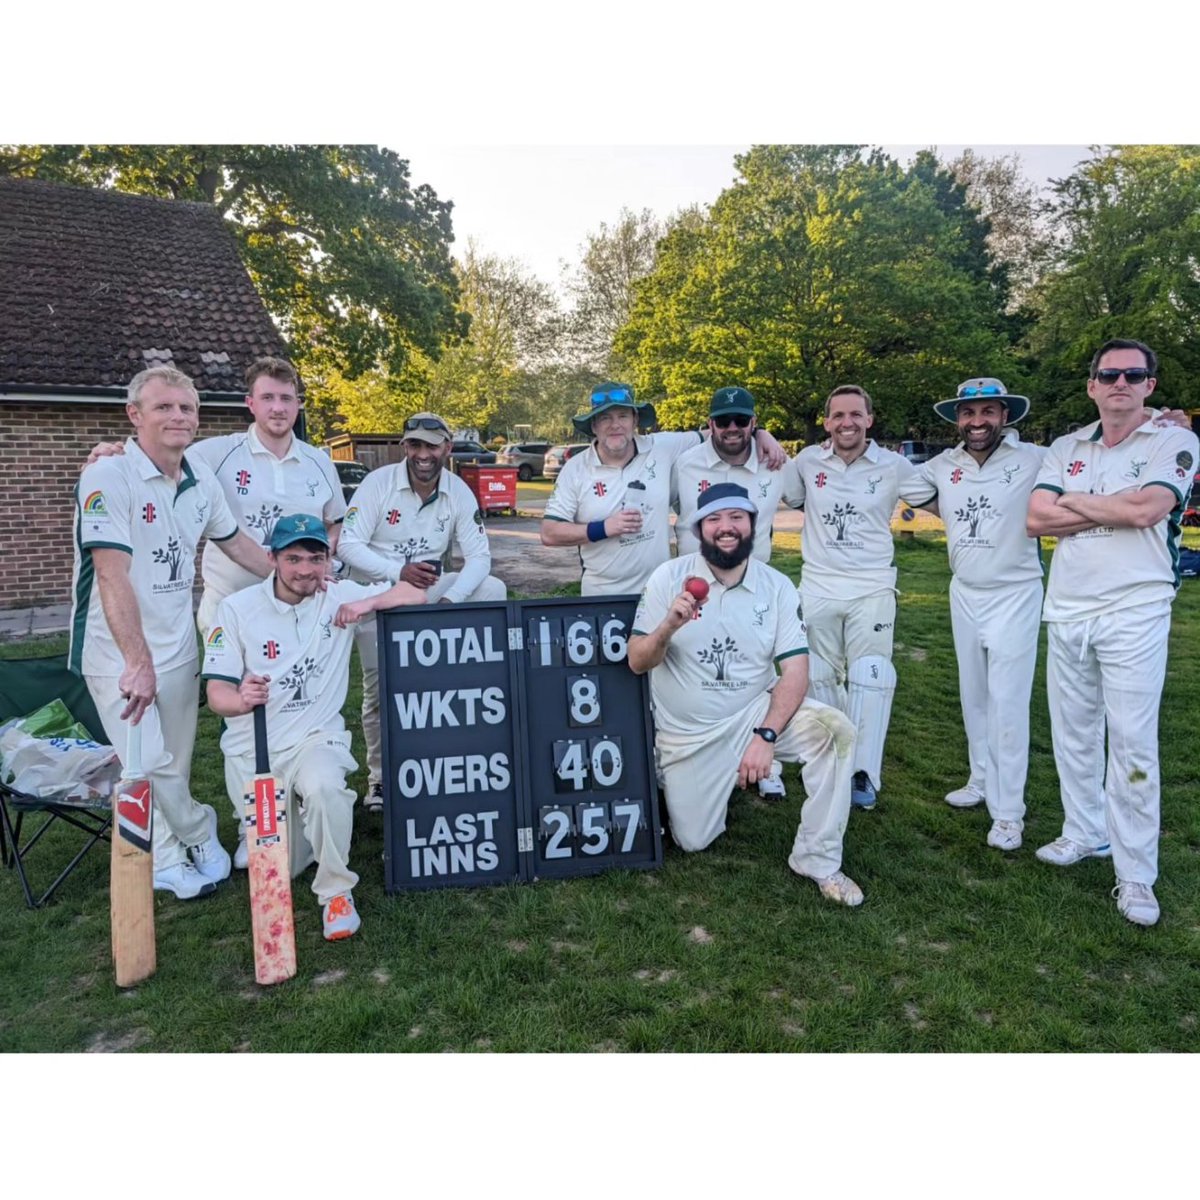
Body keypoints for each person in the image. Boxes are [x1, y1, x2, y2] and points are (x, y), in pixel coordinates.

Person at [70, 366, 273, 899]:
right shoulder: (108, 476)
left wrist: (296, 574)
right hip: (116, 652)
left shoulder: (201, 481)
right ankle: (197, 831)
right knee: (150, 762)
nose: (177, 416)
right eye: (163, 407)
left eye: (186, 408)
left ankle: (168, 854)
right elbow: (112, 574)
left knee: (174, 763)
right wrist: (137, 661)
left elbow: (238, 545)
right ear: (134, 415)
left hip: (180, 646)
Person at [1026, 338, 1199, 927]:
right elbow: (1035, 520)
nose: (1120, 383)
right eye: (1109, 374)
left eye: (1133, 374)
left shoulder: (1174, 440)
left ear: (1150, 384)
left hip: (1137, 607)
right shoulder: (1066, 445)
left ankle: (1136, 876)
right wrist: (1111, 501)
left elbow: (1148, 511)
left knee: (1131, 744)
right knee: (1073, 734)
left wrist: (1076, 502)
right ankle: (1084, 832)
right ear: (1092, 385)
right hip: (1069, 608)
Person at [628, 483, 863, 907]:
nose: (726, 527)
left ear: (753, 524)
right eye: (714, 519)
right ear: (699, 528)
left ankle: (818, 859)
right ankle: (688, 777)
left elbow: (796, 671)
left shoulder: (776, 586)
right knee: (694, 840)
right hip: (689, 733)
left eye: (737, 517)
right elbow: (637, 662)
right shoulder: (668, 577)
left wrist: (765, 736)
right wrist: (668, 626)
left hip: (753, 711)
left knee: (836, 731)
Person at [202, 515, 425, 940]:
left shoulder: (338, 595)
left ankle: (336, 894)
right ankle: (295, 835)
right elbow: (216, 696)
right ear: (272, 558)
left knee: (325, 789)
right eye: (294, 558)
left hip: (315, 739)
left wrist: (366, 604)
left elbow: (416, 591)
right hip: (256, 749)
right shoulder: (235, 610)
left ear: (328, 561)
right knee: (282, 866)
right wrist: (241, 698)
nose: (305, 569)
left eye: (316, 558)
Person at [86, 356, 346, 638]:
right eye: (267, 397)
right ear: (251, 404)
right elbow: (155, 456)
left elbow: (337, 522)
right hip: (231, 612)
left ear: (298, 404)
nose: (277, 408)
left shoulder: (320, 463)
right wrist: (111, 455)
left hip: (300, 607)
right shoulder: (210, 455)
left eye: (286, 398)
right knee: (229, 685)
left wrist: (325, 555)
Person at [336, 411, 507, 811]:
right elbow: (348, 544)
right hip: (376, 593)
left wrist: (451, 602)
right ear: (404, 447)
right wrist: (398, 572)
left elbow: (480, 557)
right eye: (415, 444)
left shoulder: (458, 490)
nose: (423, 454)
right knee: (379, 688)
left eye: (432, 445)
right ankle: (379, 778)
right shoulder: (378, 483)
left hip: (429, 594)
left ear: (447, 447)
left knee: (492, 588)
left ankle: (461, 729)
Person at [782, 385, 936, 810]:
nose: (846, 423)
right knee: (819, 676)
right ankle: (834, 760)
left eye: (855, 414)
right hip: (818, 585)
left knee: (871, 674)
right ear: (826, 421)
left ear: (869, 419)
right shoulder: (808, 461)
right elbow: (791, 495)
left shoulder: (894, 465)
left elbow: (944, 502)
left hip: (871, 585)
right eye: (837, 415)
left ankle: (863, 772)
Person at [917, 379, 1045, 851]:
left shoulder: (1035, 458)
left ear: (1005, 415)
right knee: (974, 695)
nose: (977, 423)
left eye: (987, 412)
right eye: (968, 414)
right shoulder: (942, 464)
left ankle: (1009, 814)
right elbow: (905, 486)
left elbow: (1090, 455)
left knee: (1008, 701)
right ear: (957, 419)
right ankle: (980, 778)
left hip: (1015, 591)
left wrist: (1160, 420)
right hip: (964, 591)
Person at [541, 381, 787, 596]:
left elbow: (725, 431)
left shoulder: (662, 447)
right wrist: (604, 528)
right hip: (601, 593)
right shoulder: (575, 469)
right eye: (605, 418)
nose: (615, 425)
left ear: (635, 421)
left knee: (660, 650)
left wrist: (761, 433)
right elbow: (550, 533)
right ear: (593, 425)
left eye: (623, 416)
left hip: (661, 590)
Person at [672, 385, 800, 797]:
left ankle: (768, 758)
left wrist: (768, 442)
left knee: (757, 668)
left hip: (753, 581)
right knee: (692, 670)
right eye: (723, 421)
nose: (731, 428)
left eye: (741, 421)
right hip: (695, 581)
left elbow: (808, 496)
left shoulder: (774, 463)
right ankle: (685, 754)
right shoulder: (686, 462)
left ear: (753, 423)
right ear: (709, 424)